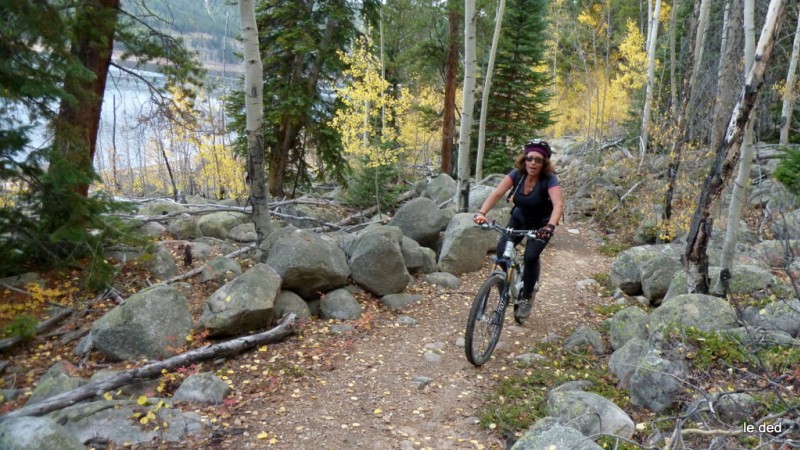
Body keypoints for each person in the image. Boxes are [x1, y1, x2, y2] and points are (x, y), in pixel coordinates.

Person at [473, 139, 564, 320]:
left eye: (538, 160)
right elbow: (497, 193)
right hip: (520, 218)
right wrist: (481, 213)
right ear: (524, 159)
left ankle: (527, 296)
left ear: (544, 163)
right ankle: (506, 285)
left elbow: (558, 205)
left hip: (542, 224)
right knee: (502, 254)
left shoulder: (550, 179)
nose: (533, 163)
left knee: (531, 256)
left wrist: (550, 227)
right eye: (530, 158)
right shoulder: (517, 175)